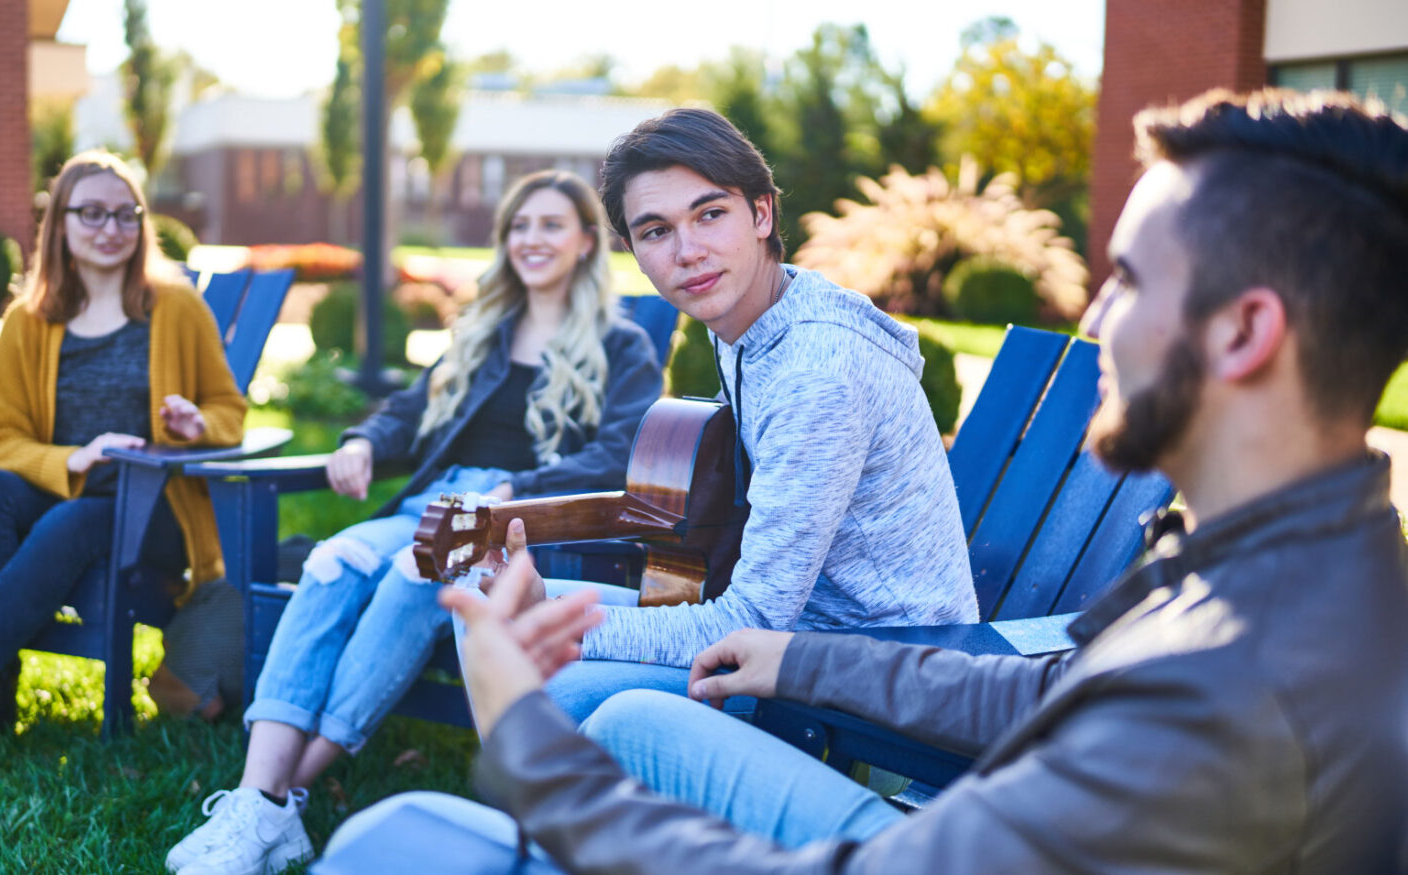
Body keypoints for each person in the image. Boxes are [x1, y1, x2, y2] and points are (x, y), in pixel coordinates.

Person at [326, 88, 1408, 872]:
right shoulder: (1268, 574)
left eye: (1124, 279)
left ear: (1247, 331)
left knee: (416, 834)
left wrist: (523, 738)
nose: (1095, 318)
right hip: (860, 662)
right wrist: (804, 657)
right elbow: (1045, 691)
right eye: (656, 230)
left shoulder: (1231, 688)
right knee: (588, 743)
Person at [163, 169, 664, 875]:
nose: (532, 239)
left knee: (411, 570)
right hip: (433, 505)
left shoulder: (623, 346)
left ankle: (281, 797)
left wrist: (509, 491)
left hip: (516, 518)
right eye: (519, 226)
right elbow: (408, 408)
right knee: (329, 561)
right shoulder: (484, 332)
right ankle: (258, 800)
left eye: (551, 224)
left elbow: (623, 454)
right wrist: (363, 440)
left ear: (586, 242)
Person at [489, 107, 975, 725]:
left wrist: (555, 630)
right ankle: (545, 817)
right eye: (656, 231)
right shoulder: (749, 322)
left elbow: (752, 622)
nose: (688, 252)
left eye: (710, 214)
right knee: (489, 621)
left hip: (874, 678)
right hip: (794, 632)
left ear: (762, 214)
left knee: (544, 680)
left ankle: (554, 815)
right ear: (633, 250)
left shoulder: (817, 374)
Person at [0, 150, 248, 772]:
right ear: (59, 222)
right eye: (92, 213)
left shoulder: (177, 309)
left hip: (154, 516)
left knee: (76, 521)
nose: (111, 228)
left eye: (126, 214)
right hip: (69, 500)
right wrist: (74, 458)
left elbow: (230, 409)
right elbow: (2, 438)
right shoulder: (28, 322)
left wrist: (199, 425)